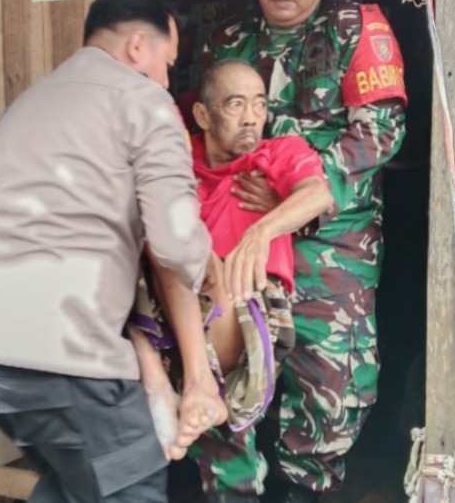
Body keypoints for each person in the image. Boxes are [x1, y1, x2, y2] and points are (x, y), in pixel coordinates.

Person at [0, 0, 227, 503]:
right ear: (137, 47)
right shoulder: (145, 101)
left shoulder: (32, 101)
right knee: (131, 482)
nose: (168, 79)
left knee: (78, 481)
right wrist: (207, 263)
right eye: (168, 62)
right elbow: (174, 240)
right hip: (59, 347)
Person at [192, 0, 409, 503]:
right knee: (227, 366)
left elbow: (378, 134)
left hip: (330, 247)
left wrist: (292, 197)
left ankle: (308, 488)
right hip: (238, 240)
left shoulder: (358, 29)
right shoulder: (229, 40)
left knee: (330, 388)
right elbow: (205, 133)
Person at [129, 60, 333, 463]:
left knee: (181, 243)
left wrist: (260, 233)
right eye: (236, 105)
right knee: (152, 231)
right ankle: (162, 376)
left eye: (260, 104)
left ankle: (187, 382)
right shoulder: (178, 155)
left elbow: (317, 194)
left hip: (247, 310)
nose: (252, 118)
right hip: (167, 305)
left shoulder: (279, 152)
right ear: (203, 115)